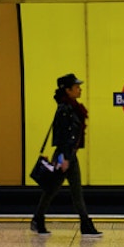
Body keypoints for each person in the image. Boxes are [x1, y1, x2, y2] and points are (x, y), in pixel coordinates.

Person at [32, 73, 102, 237]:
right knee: (55, 190)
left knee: (67, 190)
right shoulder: (65, 109)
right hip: (64, 156)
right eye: (76, 87)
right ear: (68, 90)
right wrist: (63, 159)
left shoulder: (72, 107)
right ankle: (39, 219)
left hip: (69, 155)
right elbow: (61, 136)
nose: (80, 89)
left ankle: (83, 224)